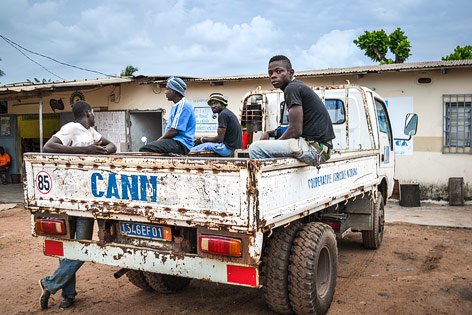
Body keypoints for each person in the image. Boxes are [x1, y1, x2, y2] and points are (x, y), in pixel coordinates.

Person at [39, 100, 116, 310]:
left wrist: (101, 151)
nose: (95, 116)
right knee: (71, 248)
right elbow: (48, 147)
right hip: (68, 196)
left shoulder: (91, 132)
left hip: (87, 199)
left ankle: (51, 284)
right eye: (93, 113)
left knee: (80, 247)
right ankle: (68, 294)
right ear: (87, 113)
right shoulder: (71, 128)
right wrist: (84, 152)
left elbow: (112, 145)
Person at [249, 55, 335, 166]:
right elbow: (297, 126)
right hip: (322, 149)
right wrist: (270, 133)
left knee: (255, 148)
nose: (273, 76)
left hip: (315, 150)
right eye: (270, 73)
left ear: (291, 72)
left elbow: (295, 130)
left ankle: (270, 182)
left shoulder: (291, 88)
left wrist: (274, 143)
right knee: (278, 135)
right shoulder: (298, 86)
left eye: (279, 71)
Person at [139, 76, 196, 154]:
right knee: (152, 147)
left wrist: (158, 141)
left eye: (167, 89)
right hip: (175, 141)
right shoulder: (177, 105)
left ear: (175, 91)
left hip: (181, 143)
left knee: (146, 149)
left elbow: (174, 131)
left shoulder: (183, 105)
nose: (165, 92)